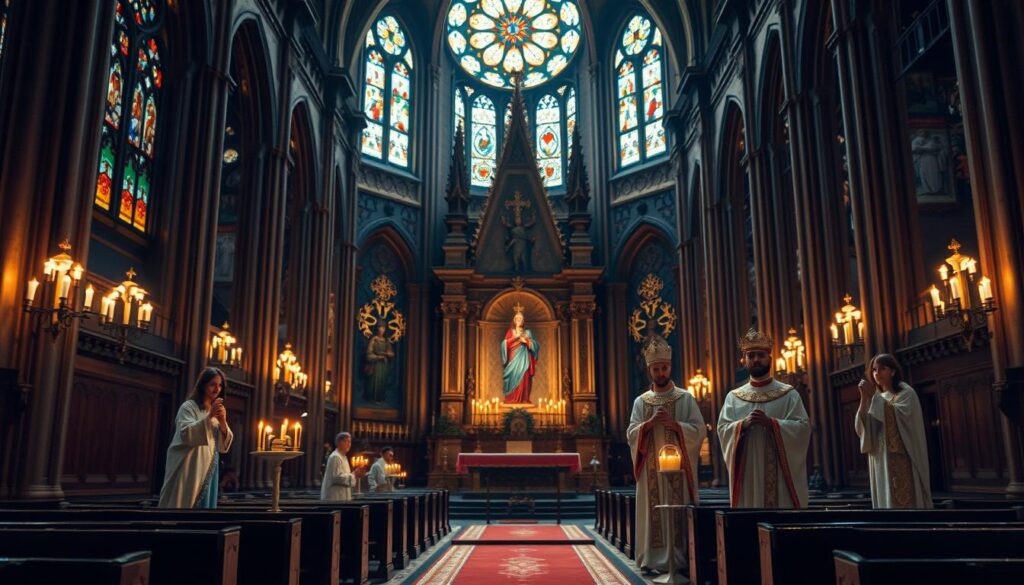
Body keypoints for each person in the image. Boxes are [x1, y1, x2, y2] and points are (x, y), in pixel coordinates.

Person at [626, 337, 704, 575]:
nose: (660, 372)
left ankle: (680, 559)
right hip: (650, 474)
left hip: (679, 473)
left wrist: (677, 426)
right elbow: (631, 433)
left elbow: (699, 430)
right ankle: (652, 557)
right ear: (649, 370)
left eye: (664, 368)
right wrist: (647, 426)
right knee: (653, 512)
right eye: (656, 369)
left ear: (670, 367)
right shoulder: (641, 402)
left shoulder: (685, 398)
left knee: (678, 509)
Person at [718, 328, 810, 508]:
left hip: (780, 477)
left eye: (760, 355)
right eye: (751, 356)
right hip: (748, 475)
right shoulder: (734, 397)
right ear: (744, 360)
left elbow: (803, 428)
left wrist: (773, 424)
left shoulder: (788, 394)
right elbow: (722, 429)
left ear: (770, 358)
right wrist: (741, 425)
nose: (756, 359)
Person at [855, 354, 933, 508]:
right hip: (881, 458)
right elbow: (864, 427)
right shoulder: (877, 396)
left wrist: (874, 397)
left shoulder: (906, 393)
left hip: (901, 457)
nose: (877, 373)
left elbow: (900, 417)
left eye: (882, 369)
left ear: (893, 371)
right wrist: (864, 398)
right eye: (874, 370)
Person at [158, 367, 234, 508]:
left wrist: (223, 422)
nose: (217, 389)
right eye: (213, 384)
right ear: (203, 385)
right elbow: (186, 434)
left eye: (220, 385)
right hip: (190, 468)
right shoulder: (188, 407)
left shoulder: (214, 410)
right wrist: (210, 416)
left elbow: (222, 445)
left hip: (209, 468)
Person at [501, 309, 539, 403]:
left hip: (524, 360)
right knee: (512, 376)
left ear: (523, 321)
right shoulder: (511, 332)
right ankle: (511, 399)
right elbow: (504, 344)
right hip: (513, 359)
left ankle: (524, 399)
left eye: (520, 319)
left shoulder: (528, 333)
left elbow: (536, 345)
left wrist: (526, 341)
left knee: (524, 378)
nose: (518, 320)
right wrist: (516, 337)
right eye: (517, 319)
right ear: (514, 320)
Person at [321, 432, 368, 501]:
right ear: (339, 443)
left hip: (341, 497)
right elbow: (337, 477)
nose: (349, 444)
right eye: (346, 441)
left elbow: (344, 476)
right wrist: (354, 474)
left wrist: (356, 475)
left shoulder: (343, 457)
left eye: (350, 442)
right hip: (334, 497)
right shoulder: (335, 457)